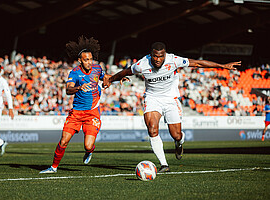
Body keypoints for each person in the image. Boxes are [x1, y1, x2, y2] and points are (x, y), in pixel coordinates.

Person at [103, 42, 241, 172]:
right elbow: (126, 72)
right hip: (152, 98)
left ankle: (179, 143)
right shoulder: (142, 64)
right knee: (152, 129)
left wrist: (222, 66)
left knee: (176, 134)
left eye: (161, 56)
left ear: (165, 55)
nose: (157, 59)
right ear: (151, 55)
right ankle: (164, 164)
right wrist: (110, 79)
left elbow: (197, 63)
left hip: (171, 99)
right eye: (155, 56)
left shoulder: (174, 60)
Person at [40, 36, 108, 173]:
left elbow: (105, 76)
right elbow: (68, 90)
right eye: (86, 60)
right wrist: (79, 88)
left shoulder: (97, 69)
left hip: (92, 113)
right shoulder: (75, 73)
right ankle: (53, 167)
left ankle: (89, 152)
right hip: (76, 113)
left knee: (88, 146)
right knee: (64, 141)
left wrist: (115, 79)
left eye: (91, 59)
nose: (89, 62)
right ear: (80, 61)